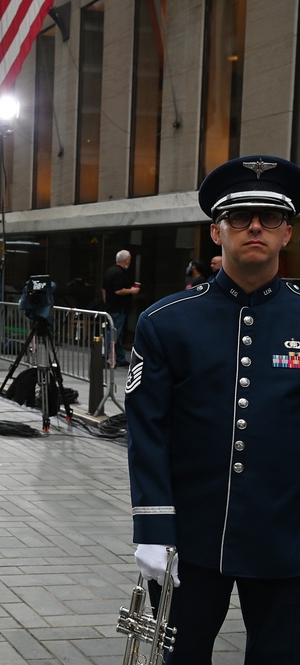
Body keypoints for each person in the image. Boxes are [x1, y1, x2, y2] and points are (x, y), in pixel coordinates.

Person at [126, 155, 300, 663]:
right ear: (216, 233)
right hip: (192, 539)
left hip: (286, 535)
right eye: (240, 216)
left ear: (285, 234)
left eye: (269, 218)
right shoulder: (167, 321)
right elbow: (149, 434)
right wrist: (154, 529)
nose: (254, 227)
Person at [102, 249, 140, 366]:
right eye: (129, 259)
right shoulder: (119, 273)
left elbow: (104, 289)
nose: (130, 261)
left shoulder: (110, 271)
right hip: (118, 308)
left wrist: (106, 302)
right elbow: (118, 291)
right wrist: (132, 291)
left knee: (117, 333)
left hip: (111, 306)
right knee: (114, 333)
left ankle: (120, 357)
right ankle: (104, 358)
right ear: (125, 260)